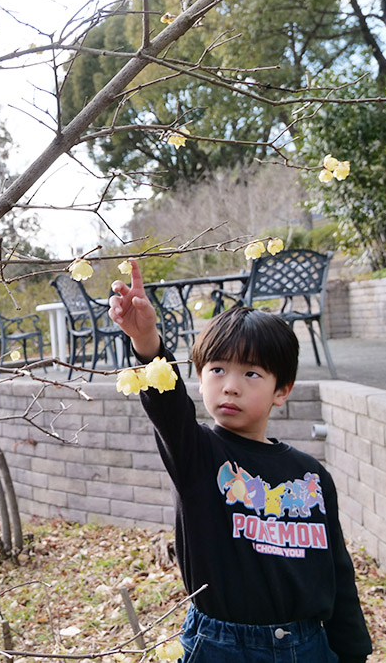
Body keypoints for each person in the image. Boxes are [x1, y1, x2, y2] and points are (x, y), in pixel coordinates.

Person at [108, 259, 371, 663]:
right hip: (221, 647)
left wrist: (353, 652)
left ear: (281, 391)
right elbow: (168, 407)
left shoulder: (312, 476)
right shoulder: (197, 455)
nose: (230, 386)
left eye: (251, 374)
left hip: (308, 646)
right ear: (198, 377)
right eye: (217, 369)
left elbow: (337, 572)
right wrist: (147, 343)